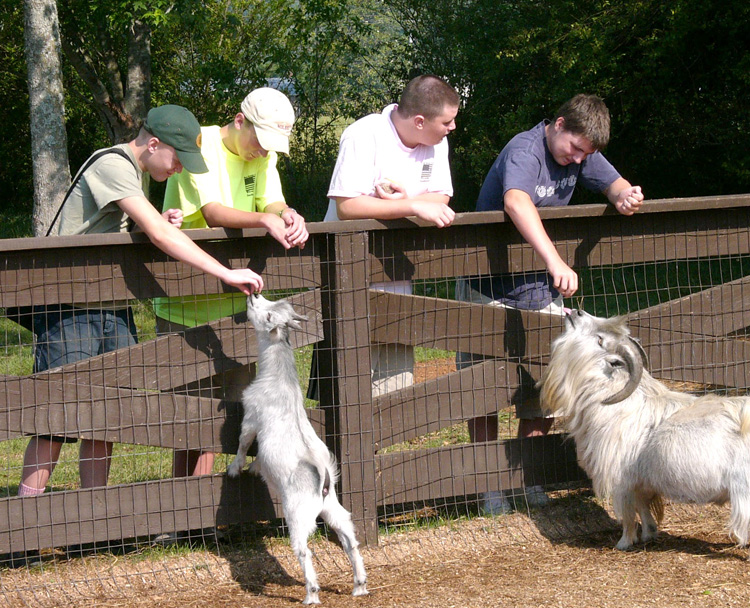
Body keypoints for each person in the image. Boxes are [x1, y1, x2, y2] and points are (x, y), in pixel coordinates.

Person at [17, 105, 264, 506]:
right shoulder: (112, 164)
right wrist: (225, 272)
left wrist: (153, 220)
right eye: (178, 160)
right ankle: (27, 519)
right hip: (69, 307)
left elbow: (112, 227)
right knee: (56, 419)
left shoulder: (135, 172)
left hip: (108, 306)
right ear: (153, 144)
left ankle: (93, 518)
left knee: (107, 417)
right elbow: (160, 238)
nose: (180, 170)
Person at [457, 93, 644, 513]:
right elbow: (516, 201)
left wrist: (623, 195)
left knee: (543, 388)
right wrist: (555, 260)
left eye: (586, 154)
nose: (579, 160)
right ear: (558, 124)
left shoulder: (580, 153)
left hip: (538, 293)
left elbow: (612, 182)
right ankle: (488, 486)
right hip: (487, 291)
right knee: (479, 392)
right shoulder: (525, 150)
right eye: (575, 149)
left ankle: (528, 477)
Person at [152, 88, 307, 480]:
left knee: (230, 412)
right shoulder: (197, 145)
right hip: (184, 305)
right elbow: (212, 212)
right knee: (189, 415)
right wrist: (264, 221)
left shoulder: (262, 155)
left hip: (237, 309)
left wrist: (287, 214)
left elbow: (271, 201)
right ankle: (182, 506)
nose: (263, 151)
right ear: (240, 121)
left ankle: (201, 509)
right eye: (260, 140)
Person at [323, 74, 458, 396]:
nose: (452, 128)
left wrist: (404, 201)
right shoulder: (363, 134)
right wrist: (412, 205)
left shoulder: (437, 142)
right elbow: (348, 205)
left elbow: (441, 198)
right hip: (349, 273)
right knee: (347, 390)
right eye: (447, 122)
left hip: (398, 276)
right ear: (420, 121)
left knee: (396, 388)